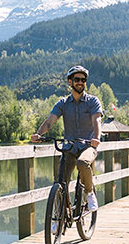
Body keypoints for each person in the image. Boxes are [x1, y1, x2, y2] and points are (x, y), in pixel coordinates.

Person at [31, 65, 103, 212]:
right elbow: (50, 121)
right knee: (60, 183)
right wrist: (39, 134)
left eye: (83, 80)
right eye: (77, 79)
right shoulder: (63, 104)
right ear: (70, 82)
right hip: (69, 146)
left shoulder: (93, 101)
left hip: (89, 145)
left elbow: (97, 121)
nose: (80, 82)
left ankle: (89, 193)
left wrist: (96, 138)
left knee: (83, 163)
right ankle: (60, 217)